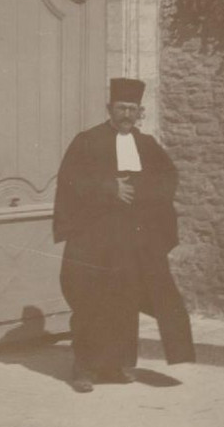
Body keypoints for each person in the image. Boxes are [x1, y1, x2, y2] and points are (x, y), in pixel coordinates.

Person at [52, 77, 196, 393]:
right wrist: (109, 187)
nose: (126, 115)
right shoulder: (86, 141)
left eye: (132, 109)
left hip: (131, 239)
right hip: (94, 236)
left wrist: (140, 190)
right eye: (121, 108)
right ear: (110, 108)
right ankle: (84, 369)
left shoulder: (146, 145)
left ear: (139, 111)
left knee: (124, 298)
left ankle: (116, 366)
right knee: (90, 298)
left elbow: (168, 178)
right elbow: (70, 181)